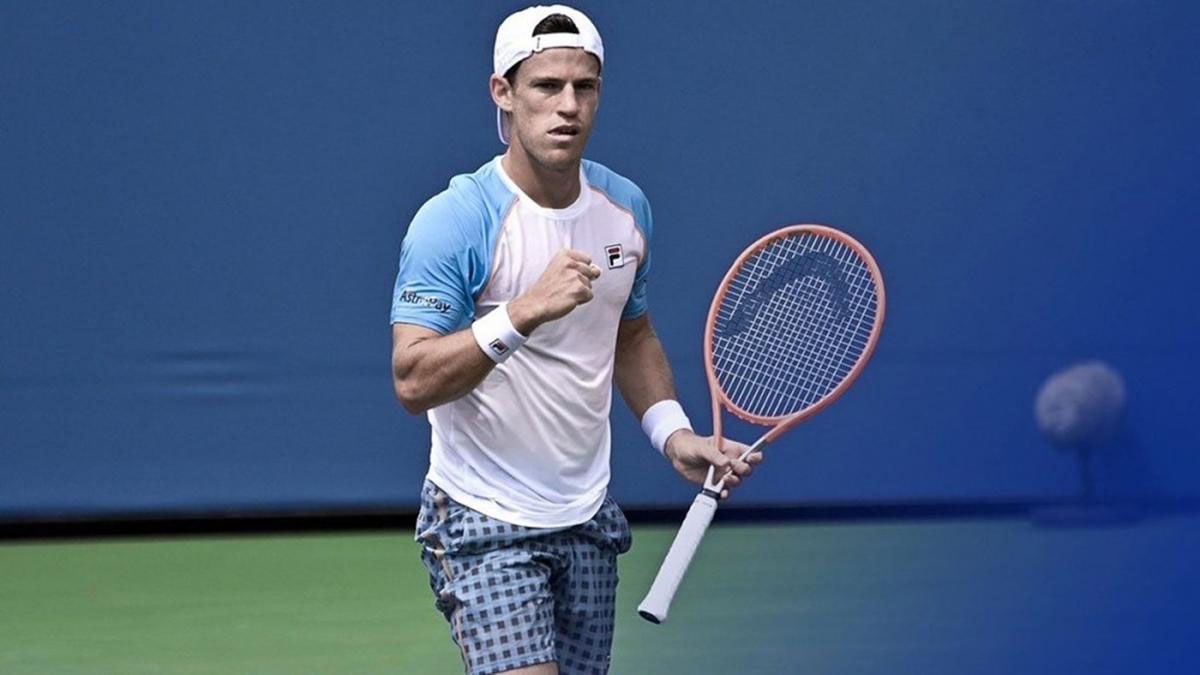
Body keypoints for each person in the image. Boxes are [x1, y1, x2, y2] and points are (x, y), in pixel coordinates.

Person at [389, 6, 761, 674]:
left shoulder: (626, 210)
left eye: (583, 87)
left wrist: (674, 435)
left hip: (587, 514)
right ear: (503, 92)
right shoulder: (456, 220)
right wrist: (522, 312)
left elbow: (631, 334)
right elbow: (413, 380)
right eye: (546, 86)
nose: (568, 106)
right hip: (481, 513)